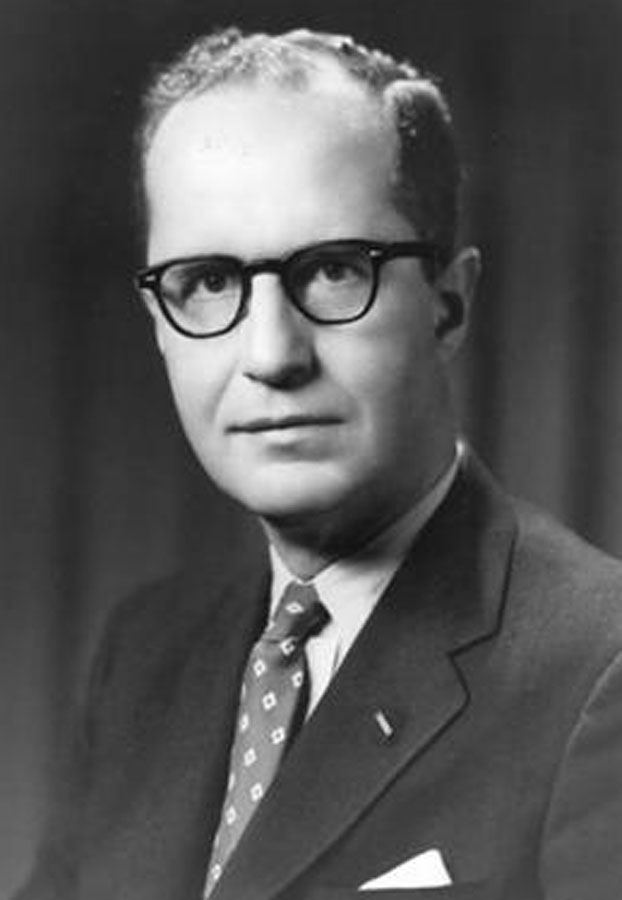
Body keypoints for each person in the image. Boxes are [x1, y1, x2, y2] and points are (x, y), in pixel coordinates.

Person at [15, 26, 622, 900]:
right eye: (208, 283)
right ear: (160, 326)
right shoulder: (146, 652)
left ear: (449, 306)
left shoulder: (599, 666)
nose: (271, 355)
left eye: (335, 270)